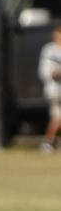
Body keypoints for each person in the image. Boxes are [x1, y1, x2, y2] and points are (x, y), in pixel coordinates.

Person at [38, 25, 61, 153]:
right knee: (58, 117)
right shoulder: (49, 50)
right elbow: (43, 71)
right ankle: (47, 142)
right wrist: (52, 74)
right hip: (54, 90)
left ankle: (52, 142)